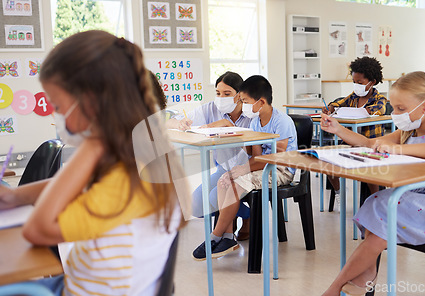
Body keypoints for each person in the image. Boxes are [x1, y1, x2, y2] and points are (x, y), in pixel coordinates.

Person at [0, 30, 186, 295]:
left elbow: (37, 230)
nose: (57, 116)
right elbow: (72, 185)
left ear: (91, 104)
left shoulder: (127, 177)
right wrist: (12, 197)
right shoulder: (136, 159)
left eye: (59, 107)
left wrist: (93, 144)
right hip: (78, 283)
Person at [320, 71, 425, 296]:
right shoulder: (409, 131)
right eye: (393, 107)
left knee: (382, 205)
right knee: (377, 204)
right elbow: (371, 143)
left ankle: (336, 288)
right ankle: (359, 279)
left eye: (401, 108)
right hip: (413, 197)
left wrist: (397, 148)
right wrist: (339, 129)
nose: (395, 113)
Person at [192, 75, 298, 260]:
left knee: (234, 184)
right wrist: (238, 138)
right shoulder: (256, 121)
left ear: (261, 102)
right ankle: (227, 237)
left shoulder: (282, 121)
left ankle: (214, 236)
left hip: (281, 169)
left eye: (245, 101)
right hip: (261, 167)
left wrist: (242, 170)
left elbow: (275, 157)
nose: (243, 105)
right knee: (225, 181)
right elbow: (256, 156)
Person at [168, 71, 253, 241]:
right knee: (196, 206)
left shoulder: (251, 112)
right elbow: (170, 121)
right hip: (223, 169)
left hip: (247, 169)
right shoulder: (210, 109)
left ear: (239, 95)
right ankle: (248, 214)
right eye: (218, 93)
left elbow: (259, 146)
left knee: (215, 196)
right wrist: (180, 123)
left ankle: (249, 218)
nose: (221, 97)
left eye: (227, 94)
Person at [322, 56, 387, 210]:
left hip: (371, 144)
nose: (356, 85)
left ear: (372, 82)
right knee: (328, 161)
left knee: (370, 168)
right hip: (350, 142)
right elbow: (338, 104)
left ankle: (375, 200)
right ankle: (339, 192)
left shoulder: (379, 98)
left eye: (360, 83)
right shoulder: (353, 97)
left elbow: (380, 109)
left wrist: (365, 111)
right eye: (354, 82)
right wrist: (330, 108)